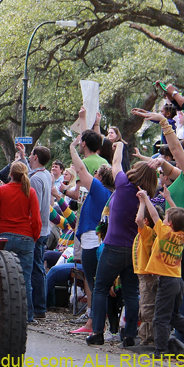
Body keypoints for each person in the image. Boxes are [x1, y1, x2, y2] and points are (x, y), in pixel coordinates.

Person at [133, 107, 184, 335]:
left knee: (183, 289)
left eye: (175, 155)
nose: (170, 155)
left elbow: (176, 149)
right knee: (183, 289)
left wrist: (163, 123)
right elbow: (171, 168)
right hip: (181, 235)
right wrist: (157, 162)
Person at [86, 142, 158, 347]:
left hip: (113, 246)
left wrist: (119, 146)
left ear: (136, 172)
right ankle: (129, 336)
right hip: (134, 251)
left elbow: (116, 162)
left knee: (100, 288)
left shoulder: (124, 184)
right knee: (131, 292)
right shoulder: (148, 196)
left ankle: (98, 332)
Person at [134, 187, 184, 356]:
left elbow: (154, 215)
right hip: (178, 281)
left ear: (168, 223)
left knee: (160, 318)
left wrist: (146, 198)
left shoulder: (164, 232)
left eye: (166, 218)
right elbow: (182, 217)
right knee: (174, 315)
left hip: (167, 282)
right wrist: (169, 198)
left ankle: (160, 349)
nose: (163, 219)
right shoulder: (182, 235)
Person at [65, 136, 114, 335]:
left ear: (100, 178)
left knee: (94, 283)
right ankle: (101, 322)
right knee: (99, 283)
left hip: (91, 241)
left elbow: (80, 170)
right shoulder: (109, 192)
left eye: (97, 174)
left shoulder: (99, 189)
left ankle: (95, 323)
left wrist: (72, 149)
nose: (93, 175)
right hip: (97, 239)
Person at [0, 161, 40, 323]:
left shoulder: (2, 190)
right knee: (25, 278)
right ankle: (27, 315)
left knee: (5, 277)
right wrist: (34, 237)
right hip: (26, 238)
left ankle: (6, 313)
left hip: (5, 237)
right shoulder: (30, 192)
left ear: (11, 174)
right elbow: (37, 220)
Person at [25, 144, 53, 321]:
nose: (29, 156)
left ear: (35, 157)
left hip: (37, 228)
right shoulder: (46, 174)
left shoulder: (35, 179)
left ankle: (38, 307)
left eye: (30, 154)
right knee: (39, 268)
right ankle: (40, 306)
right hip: (44, 228)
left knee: (34, 269)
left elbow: (34, 206)